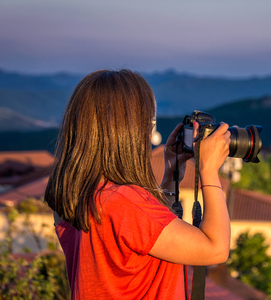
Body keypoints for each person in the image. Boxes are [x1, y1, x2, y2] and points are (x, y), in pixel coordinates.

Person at [44, 69, 231, 299]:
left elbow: (143, 236)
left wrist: (171, 173)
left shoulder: (76, 196)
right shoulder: (124, 201)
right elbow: (216, 248)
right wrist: (209, 171)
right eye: (149, 121)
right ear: (130, 130)